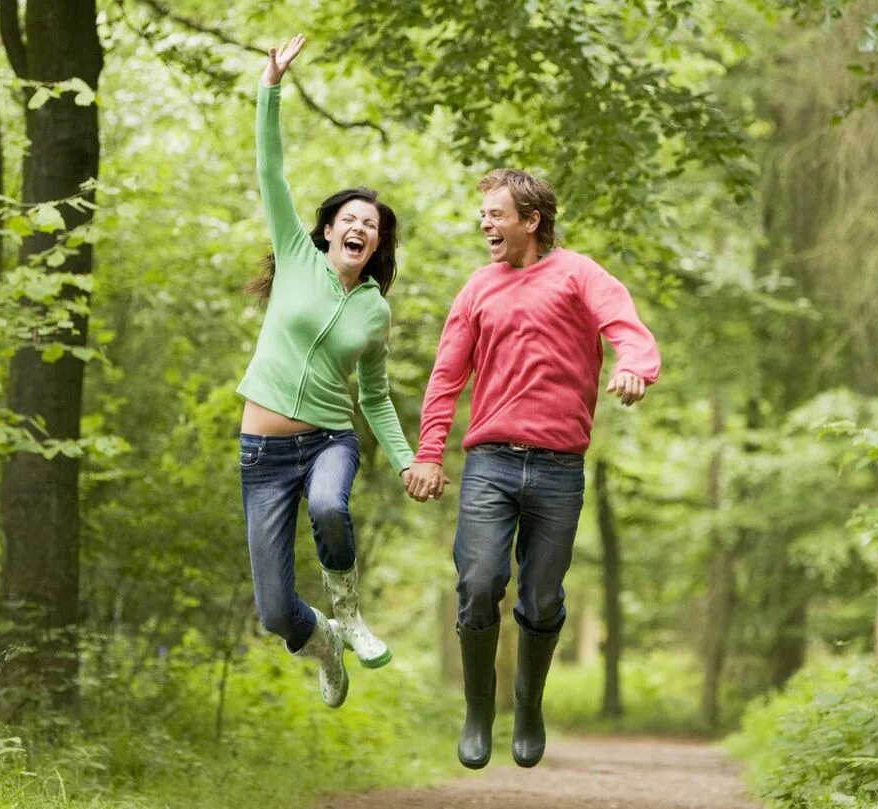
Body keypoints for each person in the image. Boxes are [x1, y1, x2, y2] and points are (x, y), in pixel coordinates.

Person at [407, 168, 660, 768]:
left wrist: (634, 367)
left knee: (542, 598)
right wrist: (428, 452)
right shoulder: (477, 287)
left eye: (496, 214)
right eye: (484, 215)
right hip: (490, 463)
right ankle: (478, 711)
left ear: (531, 220)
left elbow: (628, 329)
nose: (485, 223)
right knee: (478, 583)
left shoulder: (579, 274)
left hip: (559, 468)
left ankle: (528, 703)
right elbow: (447, 377)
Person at [239, 35, 429, 709]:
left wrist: (407, 459)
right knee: (273, 611)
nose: (359, 229)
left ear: (376, 244)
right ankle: (323, 641)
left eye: (371, 227)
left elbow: (374, 399)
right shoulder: (296, 253)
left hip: (328, 439)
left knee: (329, 504)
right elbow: (271, 171)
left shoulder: (374, 311)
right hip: (262, 451)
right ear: (326, 232)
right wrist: (271, 86)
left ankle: (348, 612)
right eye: (349, 219)